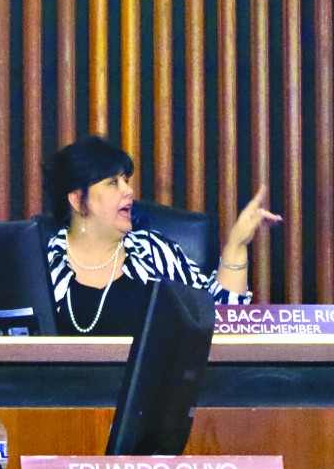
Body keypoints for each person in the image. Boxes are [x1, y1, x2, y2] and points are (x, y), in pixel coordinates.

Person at [42, 135, 281, 337]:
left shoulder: (153, 252)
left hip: (146, 392)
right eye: (113, 183)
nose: (128, 190)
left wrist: (236, 245)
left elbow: (218, 324)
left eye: (126, 181)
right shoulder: (41, 265)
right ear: (77, 199)